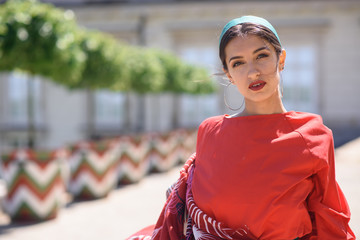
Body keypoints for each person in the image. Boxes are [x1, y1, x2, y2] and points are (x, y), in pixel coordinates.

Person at [128, 16, 356, 240]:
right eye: (238, 63)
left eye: (262, 56)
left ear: (282, 58)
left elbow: (330, 220)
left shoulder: (312, 134)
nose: (253, 72)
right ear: (228, 73)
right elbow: (194, 208)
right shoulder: (210, 132)